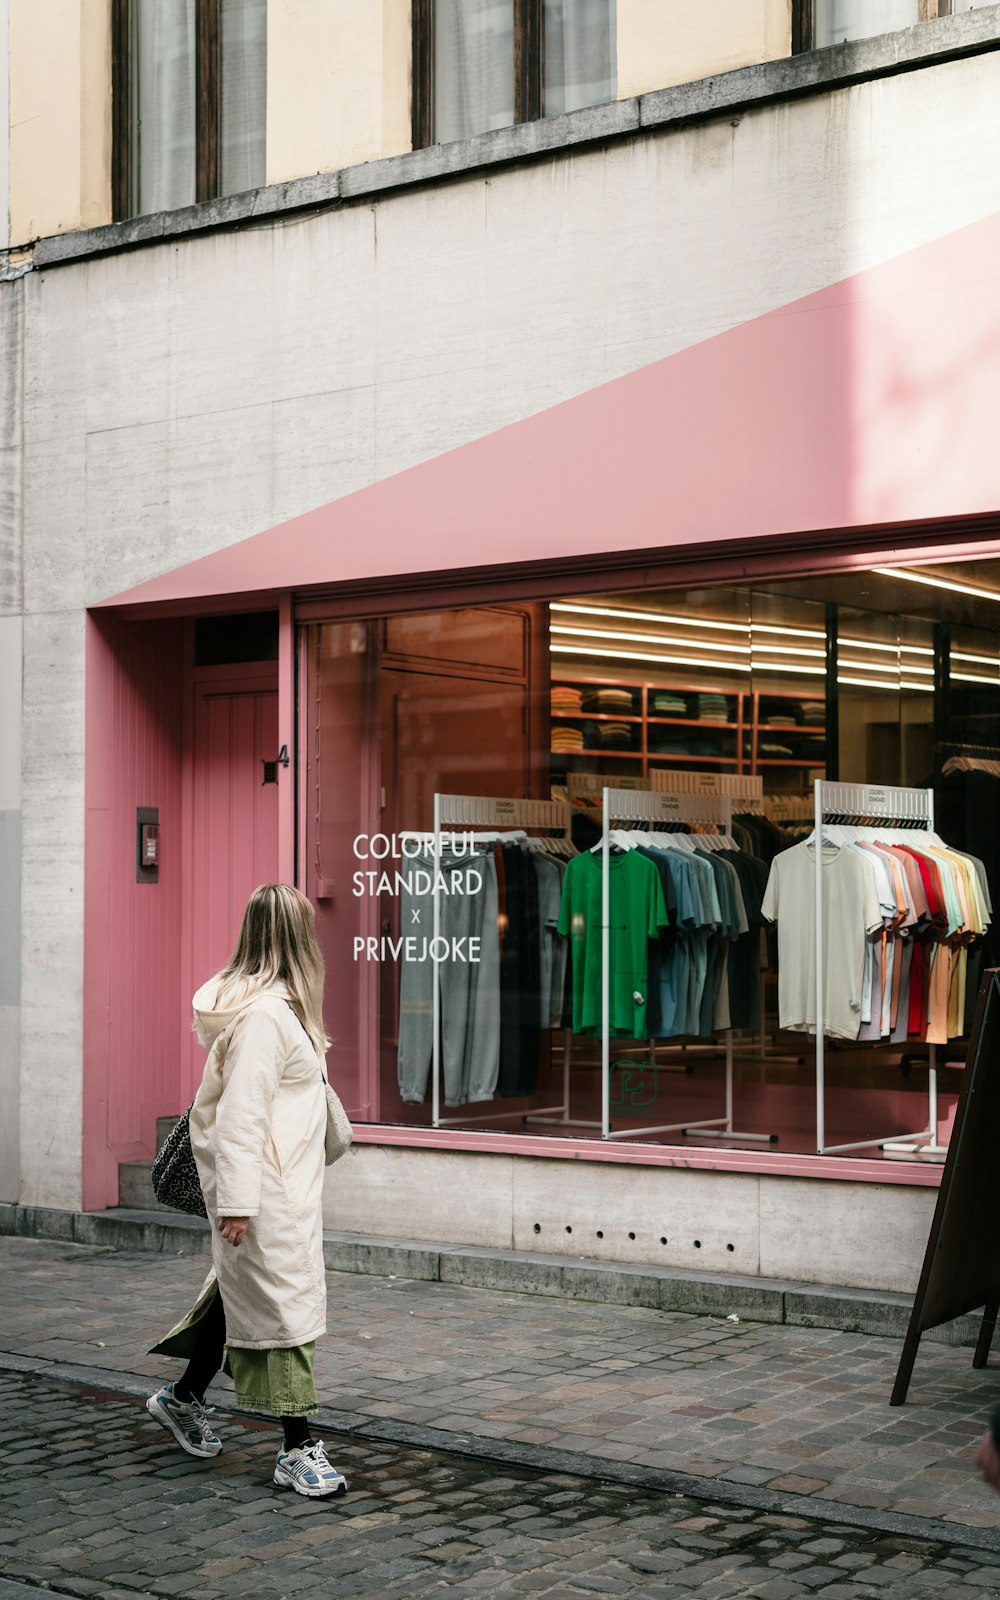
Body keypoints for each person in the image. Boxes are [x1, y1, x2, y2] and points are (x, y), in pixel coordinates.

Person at [145, 883, 346, 1499]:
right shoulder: (265, 1017)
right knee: (284, 1311)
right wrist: (236, 1203)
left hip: (281, 1187)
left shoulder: (279, 1010)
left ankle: (182, 1398)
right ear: (298, 939)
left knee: (242, 1299)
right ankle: (297, 1445)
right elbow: (242, 1114)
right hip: (264, 1194)